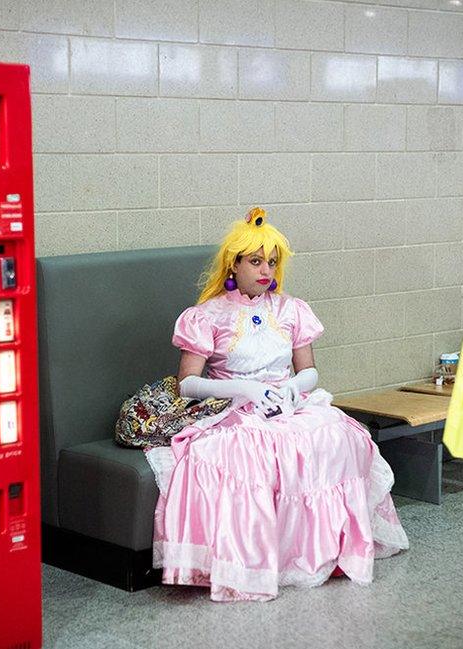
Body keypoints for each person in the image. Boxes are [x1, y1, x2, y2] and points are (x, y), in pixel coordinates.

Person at [149, 207, 408, 602]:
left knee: (338, 436)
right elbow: (187, 383)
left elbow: (310, 371)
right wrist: (242, 390)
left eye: (271, 261)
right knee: (252, 454)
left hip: (286, 403)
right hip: (232, 408)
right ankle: (256, 561)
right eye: (255, 261)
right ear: (233, 264)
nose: (265, 269)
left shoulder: (289, 309)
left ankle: (321, 551)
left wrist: (292, 388)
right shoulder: (208, 315)